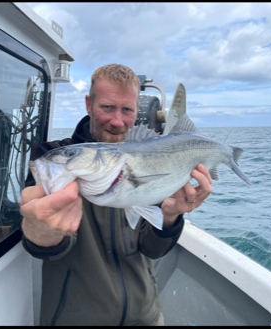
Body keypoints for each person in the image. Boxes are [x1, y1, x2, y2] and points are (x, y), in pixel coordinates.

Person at [20, 63, 213, 326]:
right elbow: (49, 246)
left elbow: (152, 250)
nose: (117, 120)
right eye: (107, 107)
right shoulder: (54, 157)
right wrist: (41, 232)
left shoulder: (152, 161)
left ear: (137, 109)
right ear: (89, 104)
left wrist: (169, 216)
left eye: (127, 110)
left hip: (146, 317)